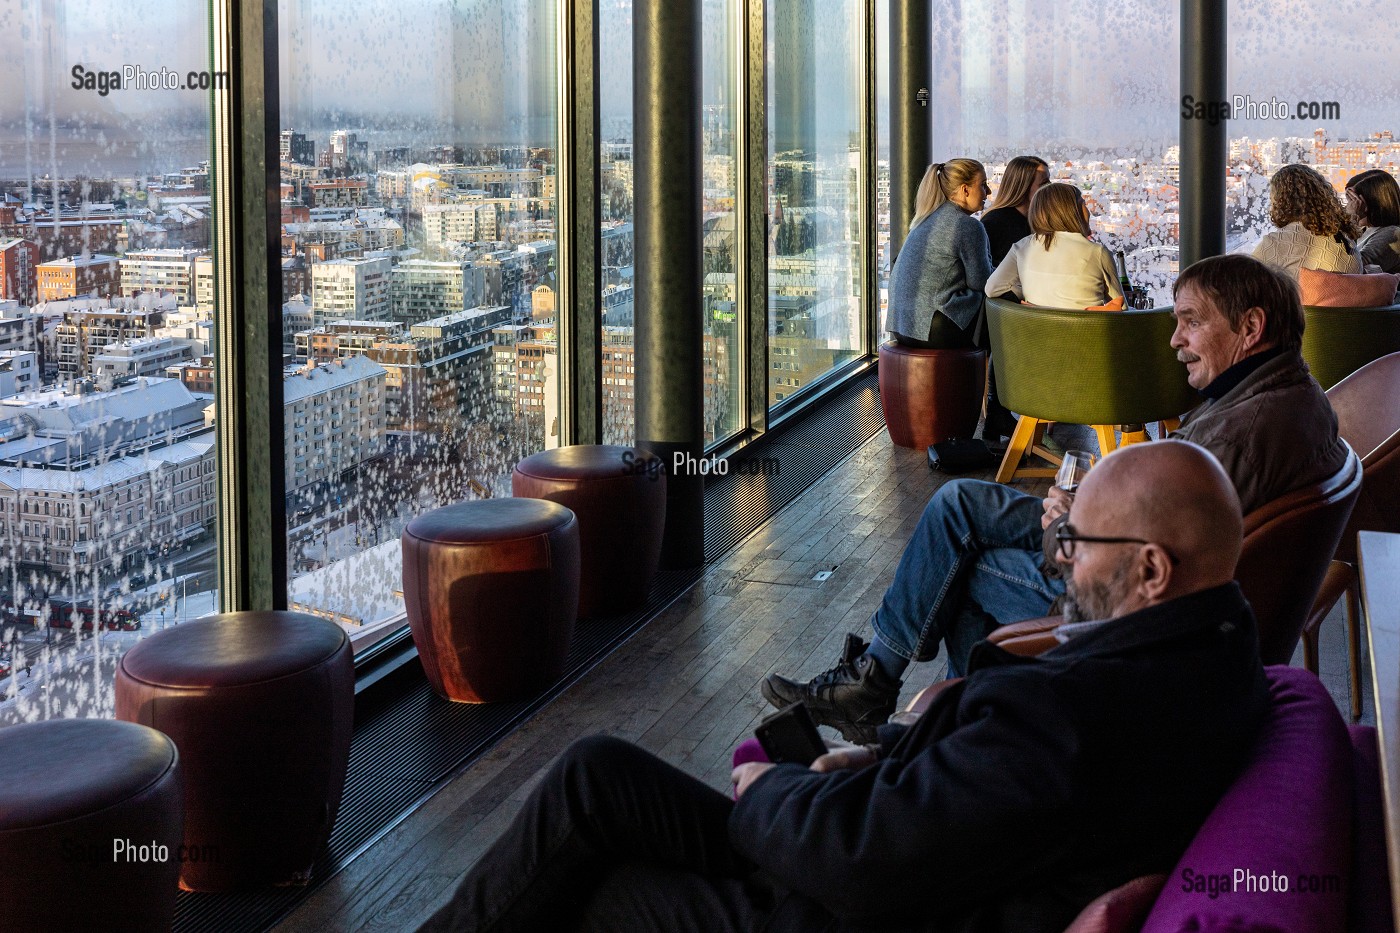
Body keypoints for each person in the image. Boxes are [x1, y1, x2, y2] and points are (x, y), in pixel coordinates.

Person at [418, 441, 1271, 933]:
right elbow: (974, 810)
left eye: (1078, 543)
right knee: (593, 773)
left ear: (1152, 569)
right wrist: (891, 748)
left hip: (845, 904)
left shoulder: (1074, 720)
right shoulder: (1221, 656)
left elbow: (868, 860)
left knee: (588, 881)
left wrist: (767, 791)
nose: (1062, 559)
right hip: (892, 842)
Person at [763, 253, 1346, 741]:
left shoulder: (1240, 435)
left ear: (1251, 327)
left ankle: (936, 717)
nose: (1175, 339)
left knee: (959, 571)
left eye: (1191, 321)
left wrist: (1067, 521)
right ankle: (891, 691)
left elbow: (1126, 569)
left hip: (1113, 599)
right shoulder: (1290, 396)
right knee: (958, 505)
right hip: (1149, 558)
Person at [885, 159, 993, 349]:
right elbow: (982, 282)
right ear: (965, 190)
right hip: (934, 328)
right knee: (995, 300)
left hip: (902, 327)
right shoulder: (967, 225)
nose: (989, 192)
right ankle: (994, 376)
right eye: (983, 185)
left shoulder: (925, 219)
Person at [979, 155, 1048, 442]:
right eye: (1043, 183)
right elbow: (991, 279)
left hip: (1014, 308)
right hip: (998, 313)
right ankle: (1000, 412)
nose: (1048, 188)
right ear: (1024, 186)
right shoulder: (997, 222)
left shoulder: (1028, 222)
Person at [985, 182, 1124, 309]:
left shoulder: (1022, 247)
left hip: (1036, 335)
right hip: (1086, 335)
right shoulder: (1097, 252)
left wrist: (1027, 289)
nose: (1089, 212)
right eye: (1083, 204)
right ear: (1071, 211)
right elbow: (1121, 308)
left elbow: (992, 288)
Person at [1253, 163, 1362, 279]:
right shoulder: (1344, 235)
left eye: (1272, 199)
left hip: (1306, 297)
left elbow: (1243, 282)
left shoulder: (1275, 242)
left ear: (1280, 202)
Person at [980, 155, 1048, 265]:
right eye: (1044, 183)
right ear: (1024, 186)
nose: (1050, 187)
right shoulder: (994, 223)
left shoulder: (1038, 219)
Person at [1344, 169, 1400, 274]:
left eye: (1353, 202)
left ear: (1372, 204)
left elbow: (1351, 269)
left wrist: (1351, 218)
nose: (1349, 207)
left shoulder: (1392, 234)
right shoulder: (1366, 229)